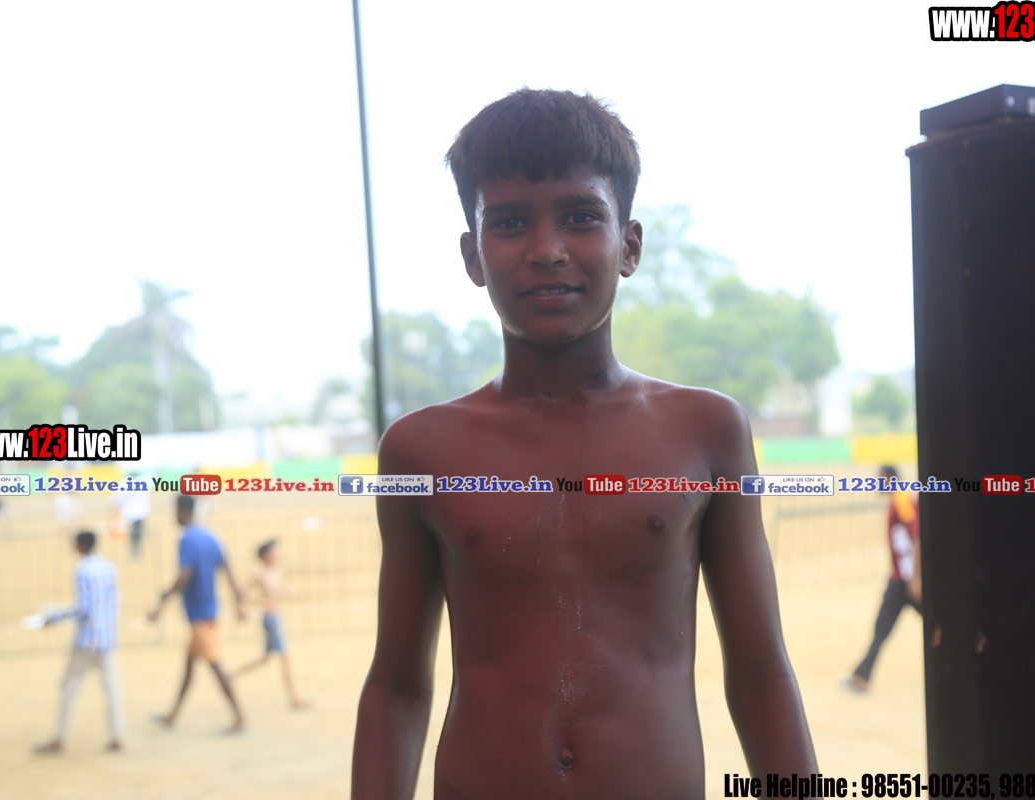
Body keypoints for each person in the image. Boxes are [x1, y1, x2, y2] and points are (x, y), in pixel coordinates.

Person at [350, 89, 817, 799]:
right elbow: (397, 686)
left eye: (581, 216)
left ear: (629, 245)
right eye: (510, 222)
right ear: (473, 255)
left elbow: (760, 675)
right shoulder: (421, 451)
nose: (547, 250)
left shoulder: (707, 431)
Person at [148, 494, 246, 732]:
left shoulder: (187, 539)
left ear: (182, 511)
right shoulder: (210, 536)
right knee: (190, 665)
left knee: (215, 665)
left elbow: (185, 575)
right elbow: (228, 568)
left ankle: (240, 718)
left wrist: (162, 602)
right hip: (208, 609)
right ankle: (172, 715)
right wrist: (238, 602)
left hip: (200, 613)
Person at [33, 531, 125, 754]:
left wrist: (54, 617)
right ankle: (118, 736)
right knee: (112, 689)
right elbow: (115, 601)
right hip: (107, 638)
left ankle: (60, 737)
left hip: (86, 641)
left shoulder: (83, 570)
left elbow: (83, 608)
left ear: (81, 546)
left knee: (68, 688)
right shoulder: (109, 567)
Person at [845, 465, 922, 692]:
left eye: (879, 479)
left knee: (885, 628)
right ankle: (861, 675)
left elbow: (916, 536)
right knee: (882, 628)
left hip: (904, 580)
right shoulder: (899, 499)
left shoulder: (901, 499)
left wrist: (914, 577)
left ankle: (861, 676)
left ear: (889, 479)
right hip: (902, 579)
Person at [230, 539, 308, 709]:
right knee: (285, 658)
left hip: (276, 617)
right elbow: (242, 590)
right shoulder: (260, 574)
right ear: (266, 556)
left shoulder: (275, 571)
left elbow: (282, 589)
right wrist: (258, 602)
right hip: (270, 619)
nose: (278, 554)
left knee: (264, 659)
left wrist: (293, 595)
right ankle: (295, 699)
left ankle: (230, 676)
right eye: (275, 551)